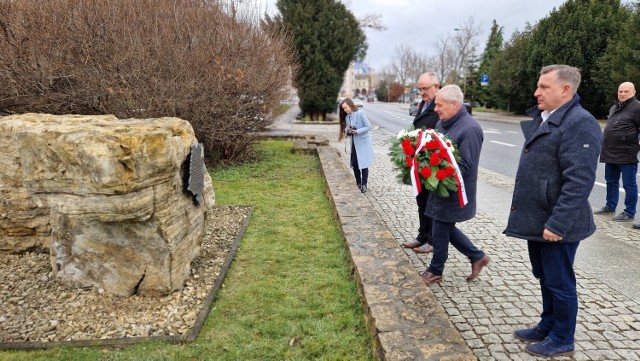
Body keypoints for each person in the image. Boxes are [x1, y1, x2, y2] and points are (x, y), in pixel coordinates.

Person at [504, 65, 602, 358]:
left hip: (559, 223)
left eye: (544, 87)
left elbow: (580, 181)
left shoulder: (580, 123)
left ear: (565, 90)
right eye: (538, 86)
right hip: (539, 218)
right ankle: (548, 324)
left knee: (559, 281)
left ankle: (562, 337)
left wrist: (558, 223)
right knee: (545, 276)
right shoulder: (549, 117)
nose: (536, 92)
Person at [420, 84, 490, 285]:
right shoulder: (444, 122)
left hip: (455, 190)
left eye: (439, 105)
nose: (435, 109)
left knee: (440, 228)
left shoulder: (471, 129)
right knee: (443, 227)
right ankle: (477, 257)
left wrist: (435, 169)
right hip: (440, 187)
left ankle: (435, 270)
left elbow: (466, 166)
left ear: (454, 104)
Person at [402, 72, 440, 254]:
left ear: (436, 86)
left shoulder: (439, 105)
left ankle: (432, 241)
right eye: (420, 89)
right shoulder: (424, 104)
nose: (422, 92)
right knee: (421, 200)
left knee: (431, 202)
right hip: (420, 159)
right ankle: (422, 236)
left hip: (433, 162)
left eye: (425, 89)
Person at [593, 82, 640, 224]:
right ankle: (610, 206)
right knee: (611, 181)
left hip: (627, 153)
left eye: (626, 91)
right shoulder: (615, 107)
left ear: (634, 92)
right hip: (610, 151)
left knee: (629, 184)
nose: (623, 94)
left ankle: (629, 212)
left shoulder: (637, 107)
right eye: (620, 91)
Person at [341, 98, 374, 193]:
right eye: (343, 109)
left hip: (363, 142)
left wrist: (357, 131)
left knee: (363, 164)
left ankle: (364, 184)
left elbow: (368, 126)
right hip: (354, 143)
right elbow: (348, 129)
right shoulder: (347, 117)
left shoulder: (361, 113)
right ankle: (358, 183)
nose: (345, 110)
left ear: (350, 105)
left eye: (346, 108)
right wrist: (347, 130)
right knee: (355, 164)